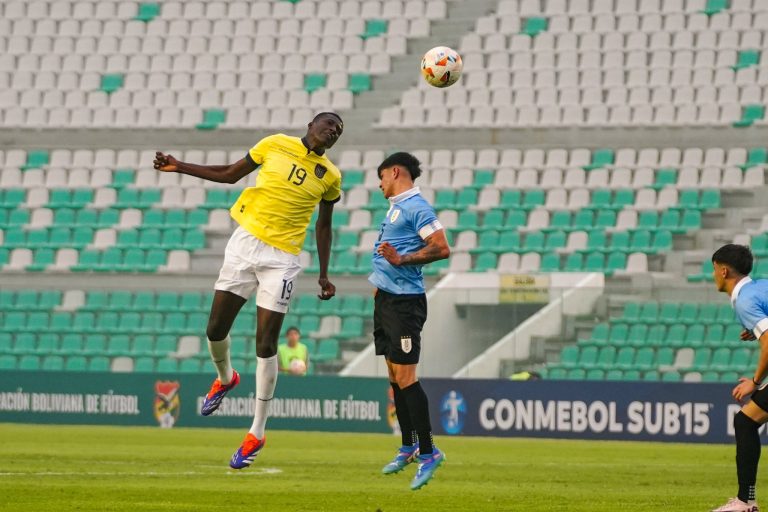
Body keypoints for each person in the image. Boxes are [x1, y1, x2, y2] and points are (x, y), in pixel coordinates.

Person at [153, 112, 344, 469]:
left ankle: (257, 431)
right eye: (329, 123)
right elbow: (229, 174)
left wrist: (323, 274)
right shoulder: (275, 144)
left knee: (265, 343)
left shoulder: (331, 176)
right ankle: (226, 378)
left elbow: (324, 226)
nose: (333, 131)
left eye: (338, 130)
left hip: (283, 258)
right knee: (214, 330)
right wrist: (179, 166)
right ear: (310, 125)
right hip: (245, 244)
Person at [369, 152, 450, 490]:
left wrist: (402, 260)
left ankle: (429, 451)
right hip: (386, 300)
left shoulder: (418, 207)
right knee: (393, 376)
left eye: (382, 177)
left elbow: (441, 248)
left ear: (395, 171)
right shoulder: (396, 207)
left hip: (405, 304)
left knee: (406, 376)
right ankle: (408, 445)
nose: (379, 184)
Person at [711, 244, 767, 512]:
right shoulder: (760, 287)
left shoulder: (745, 300)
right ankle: (746, 500)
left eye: (714, 270)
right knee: (745, 421)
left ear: (723, 270)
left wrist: (754, 382)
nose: (714, 276)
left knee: (744, 421)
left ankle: (745, 502)